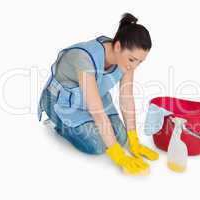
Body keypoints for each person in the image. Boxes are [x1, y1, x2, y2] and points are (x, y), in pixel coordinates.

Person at [37, 13, 159, 175]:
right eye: (132, 60)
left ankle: (89, 129)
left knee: (122, 138)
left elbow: (126, 98)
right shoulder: (84, 59)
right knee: (97, 145)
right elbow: (97, 111)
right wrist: (118, 155)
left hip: (92, 99)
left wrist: (134, 139)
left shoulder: (125, 59)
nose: (134, 66)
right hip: (61, 102)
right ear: (117, 47)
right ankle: (58, 124)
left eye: (140, 61)